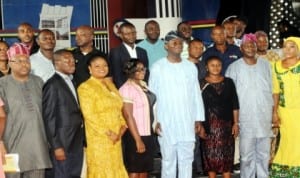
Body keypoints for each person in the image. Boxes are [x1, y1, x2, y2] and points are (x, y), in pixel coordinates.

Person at [149, 31, 205, 178]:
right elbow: (152, 97)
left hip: (187, 120)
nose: (178, 45)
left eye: (180, 43)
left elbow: (196, 94)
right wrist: (154, 121)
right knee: (168, 160)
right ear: (166, 46)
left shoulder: (190, 67)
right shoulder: (157, 67)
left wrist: (198, 118)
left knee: (187, 159)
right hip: (166, 120)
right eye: (174, 43)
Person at [0, 43, 52, 178]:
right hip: (11, 147)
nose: (24, 64)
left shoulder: (39, 82)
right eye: (19, 60)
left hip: (38, 147)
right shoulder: (2, 84)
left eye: (27, 60)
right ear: (10, 63)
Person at [226, 34, 273, 178]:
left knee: (264, 154)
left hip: (264, 116)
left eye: (253, 45)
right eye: (247, 45)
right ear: (241, 48)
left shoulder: (266, 65)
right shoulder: (234, 67)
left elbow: (273, 89)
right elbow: (230, 95)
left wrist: (274, 112)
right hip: (245, 117)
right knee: (246, 156)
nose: (250, 48)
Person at [77, 55, 128, 178]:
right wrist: (108, 133)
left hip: (117, 136)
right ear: (90, 69)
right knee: (101, 169)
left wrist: (122, 127)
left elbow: (118, 106)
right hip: (99, 138)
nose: (102, 68)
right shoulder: (85, 87)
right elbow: (89, 115)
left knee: (116, 167)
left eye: (105, 65)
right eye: (97, 66)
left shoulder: (110, 84)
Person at [42, 49, 85, 178]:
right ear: (56, 63)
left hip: (76, 139)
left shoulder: (71, 81)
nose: (72, 63)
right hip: (62, 141)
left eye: (73, 60)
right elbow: (48, 117)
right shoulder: (52, 84)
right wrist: (56, 146)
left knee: (74, 174)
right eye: (67, 60)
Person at [199, 56, 239, 178]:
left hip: (226, 126)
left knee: (226, 157)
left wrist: (236, 123)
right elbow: (197, 106)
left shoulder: (229, 82)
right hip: (208, 126)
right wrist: (199, 125)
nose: (216, 68)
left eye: (218, 65)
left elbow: (235, 104)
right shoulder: (201, 83)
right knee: (210, 157)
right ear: (206, 67)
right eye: (212, 65)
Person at [119, 58, 156, 178]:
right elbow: (128, 115)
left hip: (148, 132)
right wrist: (138, 140)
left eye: (143, 68)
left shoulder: (144, 85)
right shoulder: (127, 88)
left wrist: (156, 123)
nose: (142, 71)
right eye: (138, 69)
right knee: (135, 169)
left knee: (144, 168)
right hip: (135, 134)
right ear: (130, 71)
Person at [270, 37, 300, 177]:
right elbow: (275, 91)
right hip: (285, 111)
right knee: (287, 141)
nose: (287, 50)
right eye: (285, 46)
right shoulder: (276, 66)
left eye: (292, 46)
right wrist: (274, 112)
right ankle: (285, 171)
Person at [108, 22, 149, 88]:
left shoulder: (142, 51)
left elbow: (146, 72)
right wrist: (125, 92)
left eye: (133, 33)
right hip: (124, 91)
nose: (131, 36)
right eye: (127, 34)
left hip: (141, 89)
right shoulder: (115, 52)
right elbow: (117, 76)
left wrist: (143, 87)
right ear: (121, 35)